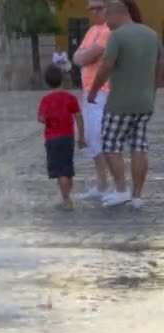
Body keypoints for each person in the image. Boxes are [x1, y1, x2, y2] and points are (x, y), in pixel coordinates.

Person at [87, 0, 162, 208]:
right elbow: (160, 65)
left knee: (111, 145)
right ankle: (137, 196)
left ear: (117, 14)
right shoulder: (152, 35)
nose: (106, 22)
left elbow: (106, 66)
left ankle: (121, 190)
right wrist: (153, 90)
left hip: (120, 102)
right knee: (139, 146)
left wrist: (93, 91)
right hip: (145, 101)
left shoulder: (117, 36)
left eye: (107, 16)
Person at [72, 0, 112, 201]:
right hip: (88, 91)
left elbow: (88, 55)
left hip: (102, 92)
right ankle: (102, 183)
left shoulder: (108, 30)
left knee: (98, 136)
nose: (94, 12)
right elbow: (78, 56)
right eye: (91, 9)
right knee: (91, 137)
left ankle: (109, 184)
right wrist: (83, 56)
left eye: (98, 8)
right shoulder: (91, 31)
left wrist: (83, 56)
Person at [38, 65, 86, 210]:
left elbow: (41, 119)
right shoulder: (70, 98)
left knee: (60, 171)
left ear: (47, 82)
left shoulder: (46, 100)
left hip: (53, 139)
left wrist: (49, 117)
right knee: (67, 168)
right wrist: (81, 137)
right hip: (68, 138)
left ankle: (66, 199)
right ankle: (67, 195)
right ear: (62, 80)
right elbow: (78, 117)